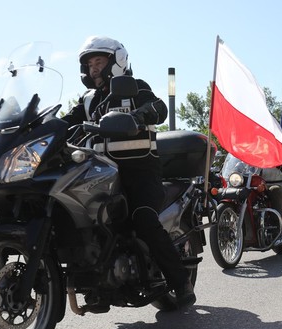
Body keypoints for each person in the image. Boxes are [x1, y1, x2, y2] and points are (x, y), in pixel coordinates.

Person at [62, 36, 195, 308]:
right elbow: (65, 123)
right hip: (100, 173)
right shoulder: (88, 100)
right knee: (88, 221)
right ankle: (96, 283)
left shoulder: (134, 88)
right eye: (89, 64)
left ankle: (180, 281)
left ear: (116, 61)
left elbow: (159, 108)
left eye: (99, 61)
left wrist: (139, 116)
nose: (93, 68)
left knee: (143, 219)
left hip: (140, 172)